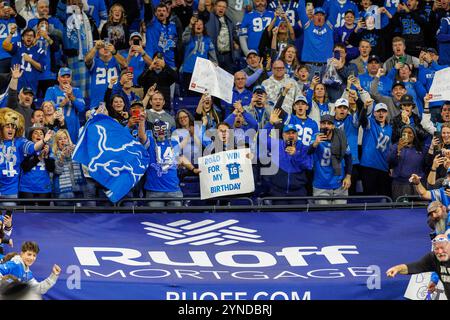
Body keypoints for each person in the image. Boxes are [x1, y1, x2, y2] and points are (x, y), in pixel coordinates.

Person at [138, 118, 199, 207]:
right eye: (158, 129)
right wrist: (142, 121)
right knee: (155, 219)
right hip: (154, 190)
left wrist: (193, 169)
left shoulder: (173, 143)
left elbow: (181, 158)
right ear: (153, 130)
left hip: (174, 189)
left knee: (176, 218)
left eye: (163, 128)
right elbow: (141, 136)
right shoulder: (150, 142)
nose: (161, 131)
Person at [0, 108, 53, 206]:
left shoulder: (20, 141)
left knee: (8, 219)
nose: (11, 129)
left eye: (13, 127)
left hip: (10, 191)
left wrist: (44, 141)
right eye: (7, 126)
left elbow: (33, 147)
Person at [262, 111, 312, 204]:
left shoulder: (304, 147)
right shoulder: (277, 144)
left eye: (293, 133)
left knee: (300, 217)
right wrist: (270, 123)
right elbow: (261, 138)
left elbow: (308, 165)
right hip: (278, 191)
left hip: (298, 192)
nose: (291, 135)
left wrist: (296, 154)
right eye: (288, 133)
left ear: (297, 135)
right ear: (283, 135)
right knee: (279, 217)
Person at [386, 233, 450, 299]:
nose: (440, 251)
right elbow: (416, 266)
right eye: (436, 249)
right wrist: (397, 268)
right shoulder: (433, 258)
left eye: (442, 248)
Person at [309, 114, 352, 204]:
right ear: (320, 125)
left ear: (333, 126)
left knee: (340, 214)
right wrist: (315, 143)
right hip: (321, 185)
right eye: (324, 123)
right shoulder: (315, 137)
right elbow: (308, 153)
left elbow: (348, 157)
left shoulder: (341, 137)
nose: (326, 126)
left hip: (339, 184)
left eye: (329, 123)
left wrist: (348, 177)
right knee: (323, 215)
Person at [44, 67, 86, 143]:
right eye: (63, 77)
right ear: (58, 78)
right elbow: (46, 109)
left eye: (68, 77)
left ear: (71, 79)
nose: (65, 79)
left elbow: (82, 108)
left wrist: (71, 96)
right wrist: (61, 104)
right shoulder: (51, 90)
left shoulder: (76, 91)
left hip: (73, 129)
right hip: (56, 128)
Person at [359, 102, 393, 197]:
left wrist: (390, 166)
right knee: (369, 196)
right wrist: (364, 108)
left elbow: (390, 150)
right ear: (374, 113)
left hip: (383, 167)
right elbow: (362, 119)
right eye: (378, 111)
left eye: (383, 111)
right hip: (368, 166)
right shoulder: (370, 123)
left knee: (384, 197)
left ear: (387, 113)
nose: (381, 114)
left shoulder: (390, 129)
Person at [19, 125, 55, 205]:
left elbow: (51, 169)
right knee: (26, 215)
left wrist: (46, 157)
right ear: (31, 136)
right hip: (27, 187)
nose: (38, 135)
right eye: (35, 133)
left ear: (45, 137)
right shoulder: (26, 149)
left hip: (44, 188)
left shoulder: (48, 149)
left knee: (44, 215)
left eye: (41, 133)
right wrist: (38, 158)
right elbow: (24, 167)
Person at [388, 125, 425, 200]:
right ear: (401, 135)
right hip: (399, 184)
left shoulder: (421, 148)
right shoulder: (395, 146)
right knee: (400, 209)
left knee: (418, 209)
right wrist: (398, 149)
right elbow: (390, 161)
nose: (407, 135)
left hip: (417, 184)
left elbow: (427, 163)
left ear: (414, 135)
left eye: (410, 133)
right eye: (404, 133)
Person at [2, 27, 45, 93]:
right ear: (22, 37)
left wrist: (30, 60)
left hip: (31, 85)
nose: (29, 37)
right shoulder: (18, 46)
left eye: (31, 36)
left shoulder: (40, 51)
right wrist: (11, 33)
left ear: (34, 38)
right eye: (27, 35)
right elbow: (5, 45)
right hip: (16, 84)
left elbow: (41, 68)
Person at [52, 129, 85, 203]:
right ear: (57, 142)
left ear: (68, 139)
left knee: (80, 214)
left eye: (65, 138)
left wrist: (74, 151)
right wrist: (62, 157)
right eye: (60, 139)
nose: (63, 141)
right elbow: (57, 171)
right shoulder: (54, 154)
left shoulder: (75, 151)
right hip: (63, 192)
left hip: (78, 188)